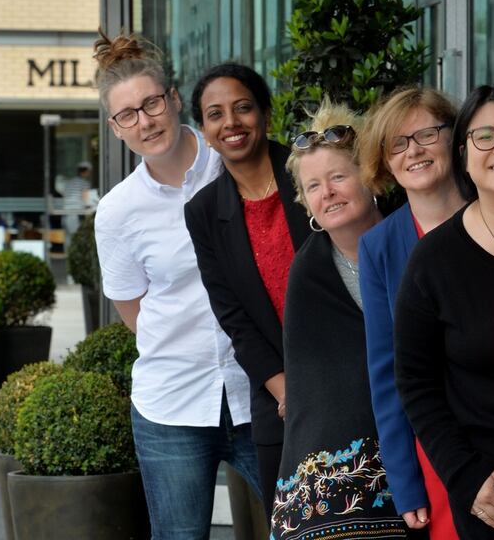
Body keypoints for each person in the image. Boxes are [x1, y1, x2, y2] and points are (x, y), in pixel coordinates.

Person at [92, 30, 259, 539]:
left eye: (151, 103)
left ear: (174, 99)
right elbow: (134, 312)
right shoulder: (118, 212)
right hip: (172, 406)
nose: (145, 121)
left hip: (263, 393)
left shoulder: (232, 165)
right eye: (127, 115)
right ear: (116, 129)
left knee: (306, 525)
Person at [394, 82, 494, 539]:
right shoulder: (434, 260)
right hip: (493, 487)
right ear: (464, 152)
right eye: (485, 136)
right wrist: (463, 474)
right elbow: (415, 381)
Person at [270, 98, 413, 539]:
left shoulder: (414, 244)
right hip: (333, 477)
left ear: (370, 178)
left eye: (338, 177)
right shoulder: (308, 273)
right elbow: (315, 390)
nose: (327, 193)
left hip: (421, 450)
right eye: (313, 186)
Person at [184, 63, 309, 522]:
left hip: (353, 376)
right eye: (215, 114)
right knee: (295, 521)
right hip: (278, 393)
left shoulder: (310, 174)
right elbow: (232, 316)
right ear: (205, 131)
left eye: (242, 108)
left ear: (265, 115)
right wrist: (287, 390)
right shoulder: (202, 211)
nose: (231, 123)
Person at [357, 87, 467, 539]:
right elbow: (387, 371)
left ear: (455, 138)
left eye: (426, 134)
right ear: (384, 160)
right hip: (436, 440)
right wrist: (403, 480)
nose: (414, 151)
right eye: (398, 143)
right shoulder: (379, 246)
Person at [62, 161, 93, 240]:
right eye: (89, 172)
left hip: (65, 214)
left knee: (68, 239)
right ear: (86, 171)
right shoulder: (84, 183)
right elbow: (86, 199)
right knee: (77, 238)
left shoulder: (69, 182)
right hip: (76, 214)